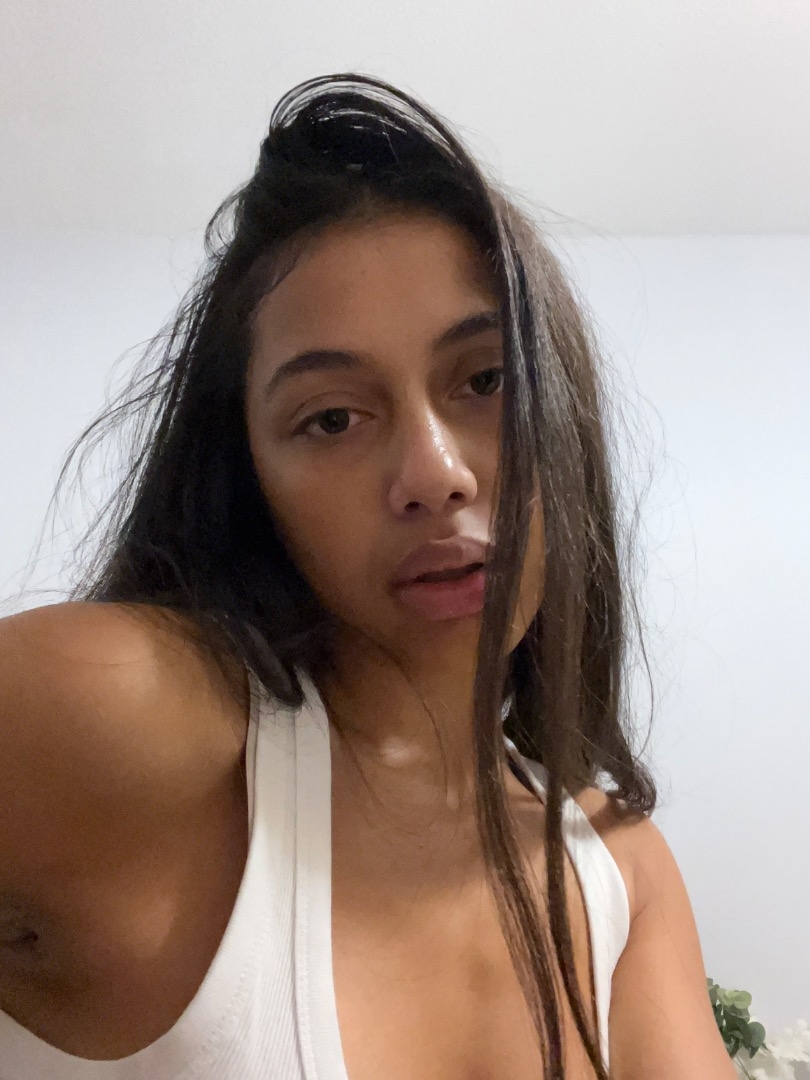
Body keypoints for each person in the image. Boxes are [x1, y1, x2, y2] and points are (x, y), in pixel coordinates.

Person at [0, 73, 736, 1079]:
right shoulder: (120, 722)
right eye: (333, 418)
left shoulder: (619, 864)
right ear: (249, 478)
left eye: (486, 380)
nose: (435, 475)